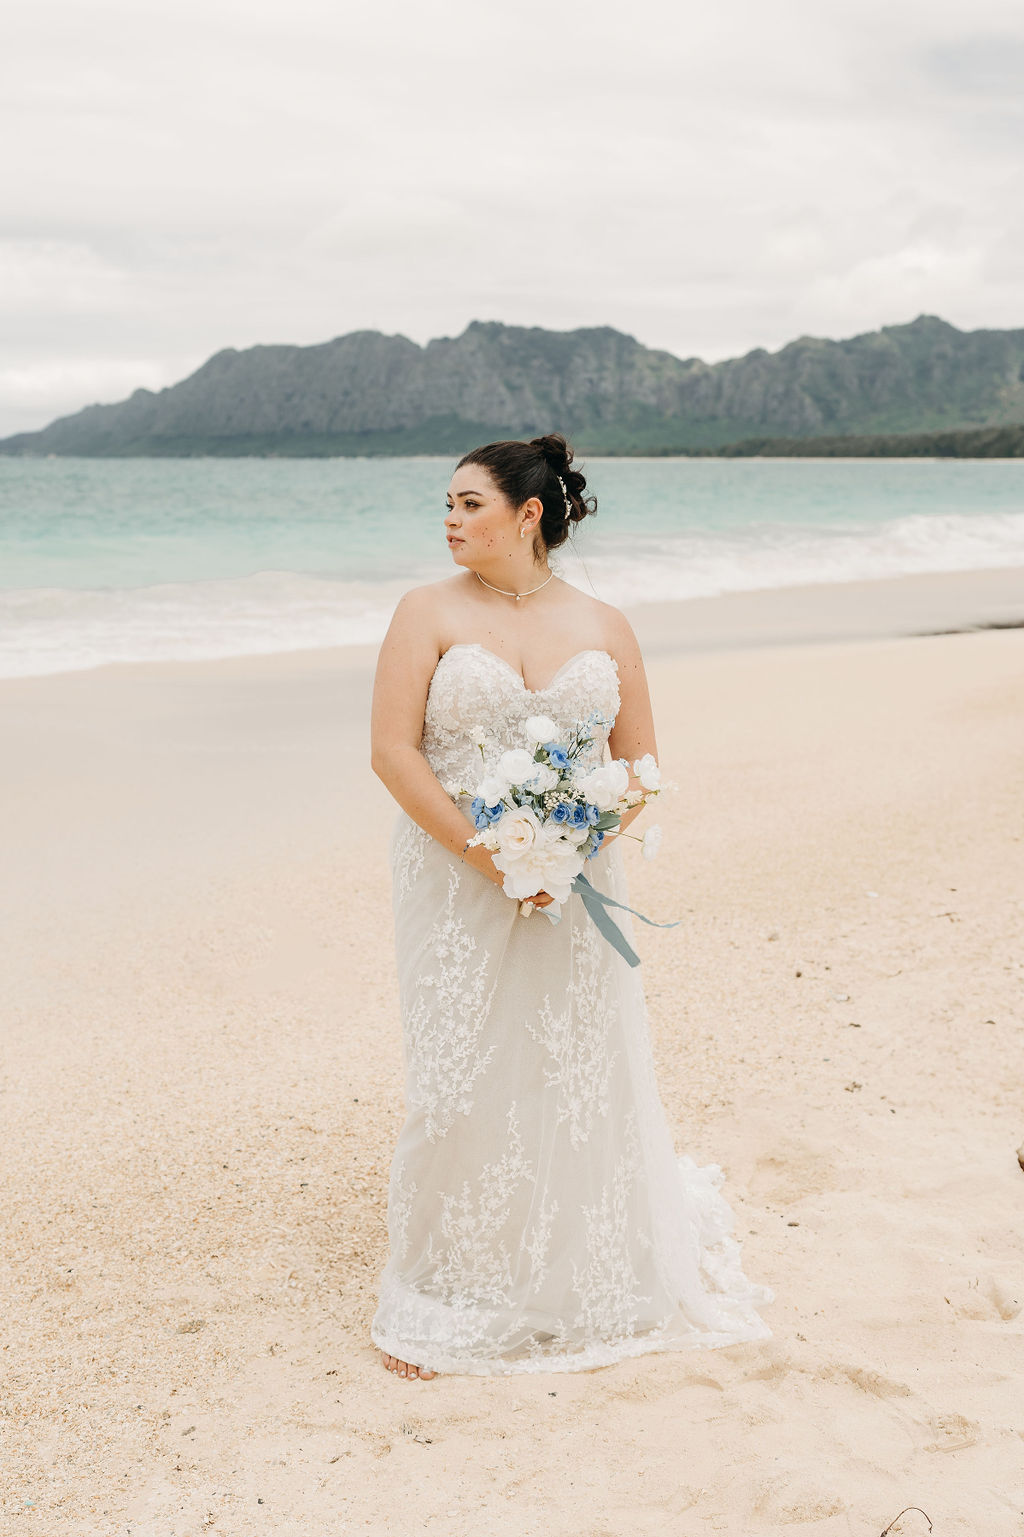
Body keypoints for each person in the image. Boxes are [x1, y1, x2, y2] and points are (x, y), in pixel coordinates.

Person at [368, 433, 774, 1379]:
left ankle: (577, 1265)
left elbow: (638, 768)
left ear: (529, 515)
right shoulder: (422, 611)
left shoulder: (605, 622)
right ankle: (446, 1289)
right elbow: (394, 752)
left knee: (570, 1060)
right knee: (460, 1068)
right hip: (451, 872)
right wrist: (491, 854)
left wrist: (567, 850)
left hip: (574, 880)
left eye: (469, 504)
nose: (450, 520)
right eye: (447, 504)